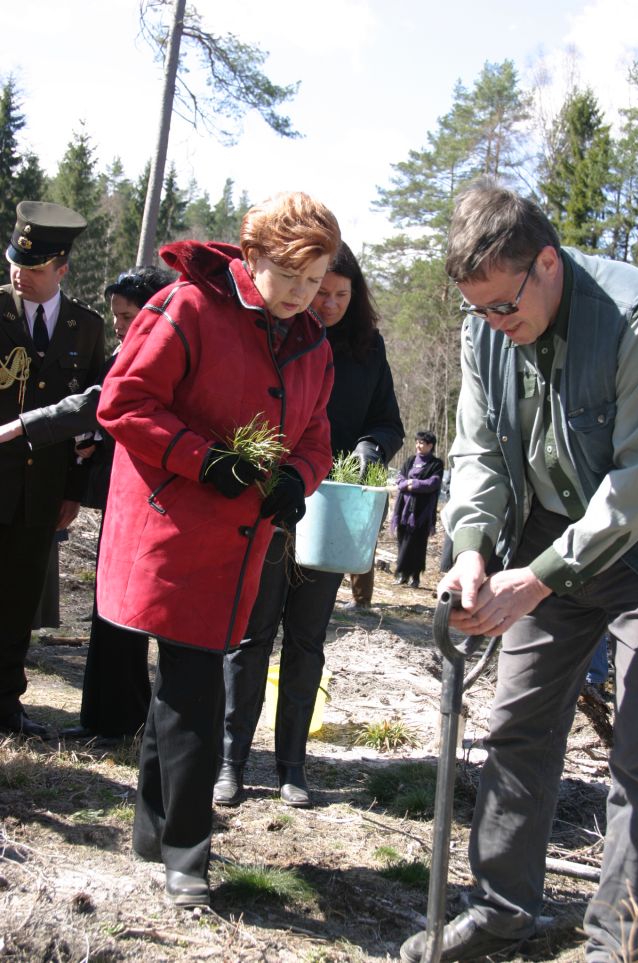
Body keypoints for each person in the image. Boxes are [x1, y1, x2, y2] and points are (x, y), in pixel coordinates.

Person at [399, 179, 638, 963]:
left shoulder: (630, 318)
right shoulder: (486, 328)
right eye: (480, 312)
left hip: (628, 539)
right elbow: (477, 450)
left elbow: (635, 482)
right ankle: (504, 912)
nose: (497, 326)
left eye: (506, 306)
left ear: (546, 262)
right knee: (517, 727)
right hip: (547, 540)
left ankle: (617, 937)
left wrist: (534, 577)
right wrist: (470, 544)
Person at [95, 192, 340, 908]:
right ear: (253, 255)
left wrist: (297, 479)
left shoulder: (314, 345)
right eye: (289, 276)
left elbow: (317, 436)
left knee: (185, 681)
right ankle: (187, 857)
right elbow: (124, 400)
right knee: (196, 686)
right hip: (174, 529)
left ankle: (152, 829)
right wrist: (203, 458)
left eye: (315, 279)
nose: (302, 294)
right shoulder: (188, 306)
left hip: (243, 542)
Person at [213, 241, 404, 810]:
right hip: (270, 502)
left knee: (307, 638)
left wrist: (370, 449)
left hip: (333, 507)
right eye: (321, 291)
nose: (328, 303)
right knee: (252, 635)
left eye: (342, 294)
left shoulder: (367, 352)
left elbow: (387, 423)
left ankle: (292, 766)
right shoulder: (279, 339)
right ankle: (231, 760)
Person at [0, 268, 175, 737]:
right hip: (118, 495)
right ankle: (108, 718)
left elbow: (98, 401)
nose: (118, 324)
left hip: (152, 500)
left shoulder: (163, 351)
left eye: (126, 315)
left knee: (130, 613)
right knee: (110, 609)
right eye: (115, 315)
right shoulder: (131, 348)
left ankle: (125, 720)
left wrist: (27, 427)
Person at [0, 201, 104, 739]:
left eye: (35, 267)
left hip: (42, 493)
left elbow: (91, 420)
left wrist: (76, 491)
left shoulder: (86, 328)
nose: (20, 273)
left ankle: (6, 705)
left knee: (18, 600)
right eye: (15, 260)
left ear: (62, 267)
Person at [391, 430, 443, 588]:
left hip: (422, 512)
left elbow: (433, 483)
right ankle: (402, 575)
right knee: (402, 541)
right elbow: (400, 479)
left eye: (422, 443)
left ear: (430, 445)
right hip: (404, 510)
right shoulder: (410, 460)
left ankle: (415, 576)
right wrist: (407, 483)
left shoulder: (436, 464)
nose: (418, 445)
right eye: (417, 442)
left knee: (418, 545)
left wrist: (413, 484)